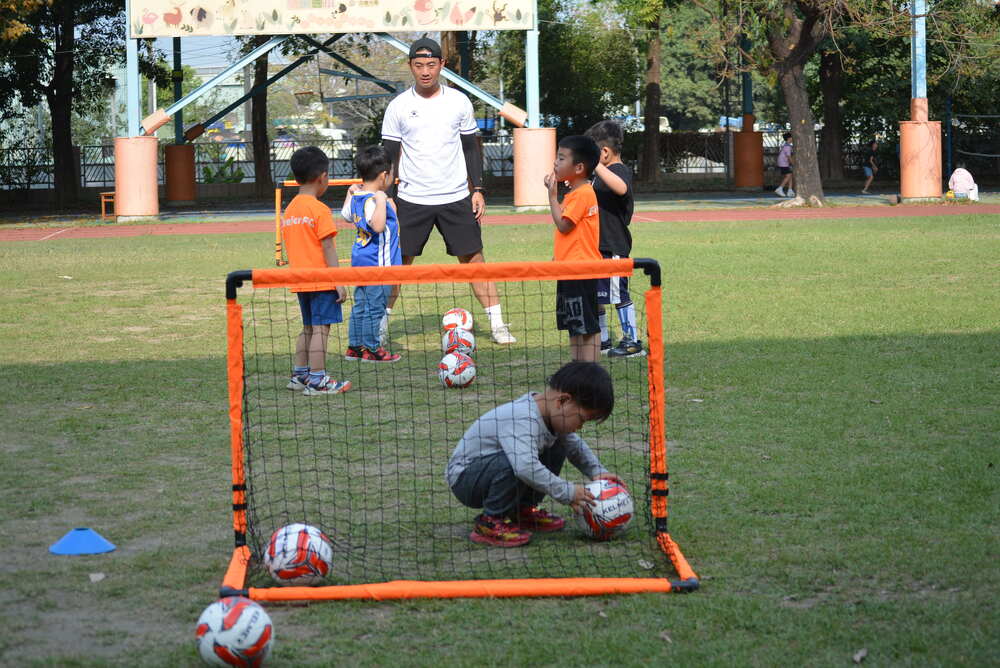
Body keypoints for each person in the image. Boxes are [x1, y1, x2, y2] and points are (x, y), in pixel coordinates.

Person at [381, 37, 515, 345]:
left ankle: (498, 325)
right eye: (419, 65)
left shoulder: (459, 101)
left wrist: (477, 189)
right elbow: (389, 156)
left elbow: (470, 148)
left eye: (431, 64)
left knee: (474, 261)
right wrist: (387, 197)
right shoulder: (398, 106)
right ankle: (380, 326)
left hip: (455, 197)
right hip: (411, 199)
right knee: (398, 265)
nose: (425, 71)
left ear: (441, 65)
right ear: (410, 66)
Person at [447, 361, 627, 547]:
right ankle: (490, 522)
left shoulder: (550, 416)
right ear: (562, 401)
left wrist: (597, 471)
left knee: (558, 445)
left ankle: (522, 510)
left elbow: (575, 446)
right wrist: (568, 492)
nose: (580, 427)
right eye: (581, 419)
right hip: (466, 481)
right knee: (518, 462)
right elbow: (525, 467)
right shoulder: (522, 417)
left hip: (492, 471)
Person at [282, 146, 352, 396]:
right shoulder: (319, 209)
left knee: (308, 327)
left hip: (300, 280)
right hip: (322, 280)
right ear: (323, 177)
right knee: (322, 329)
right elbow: (328, 248)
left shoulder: (291, 209)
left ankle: (300, 374)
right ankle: (317, 380)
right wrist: (338, 281)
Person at [585, 120, 643, 358]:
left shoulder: (618, 171)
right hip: (595, 246)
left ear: (605, 152)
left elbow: (621, 188)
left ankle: (632, 341)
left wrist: (597, 166)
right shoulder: (599, 175)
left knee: (619, 295)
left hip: (613, 246)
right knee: (595, 295)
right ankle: (603, 339)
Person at [544, 135, 603, 362]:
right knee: (575, 324)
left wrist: (552, 196)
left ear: (578, 168)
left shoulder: (583, 193)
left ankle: (590, 370)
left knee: (587, 326)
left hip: (581, 271)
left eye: (561, 158)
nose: (555, 163)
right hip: (569, 269)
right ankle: (578, 368)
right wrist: (559, 256)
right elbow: (570, 234)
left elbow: (563, 225)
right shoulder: (574, 194)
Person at [340, 145, 402, 363]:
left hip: (362, 262)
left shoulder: (358, 196)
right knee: (374, 308)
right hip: (379, 265)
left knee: (361, 305)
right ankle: (372, 349)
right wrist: (382, 201)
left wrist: (350, 193)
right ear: (384, 175)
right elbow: (377, 226)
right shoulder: (373, 200)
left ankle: (355, 347)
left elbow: (346, 215)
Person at [775, 132, 795, 197]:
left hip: (783, 162)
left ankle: (790, 190)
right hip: (783, 163)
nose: (793, 139)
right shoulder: (788, 147)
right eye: (792, 137)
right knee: (788, 175)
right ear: (789, 138)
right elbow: (789, 157)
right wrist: (793, 164)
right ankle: (780, 188)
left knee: (790, 175)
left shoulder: (787, 145)